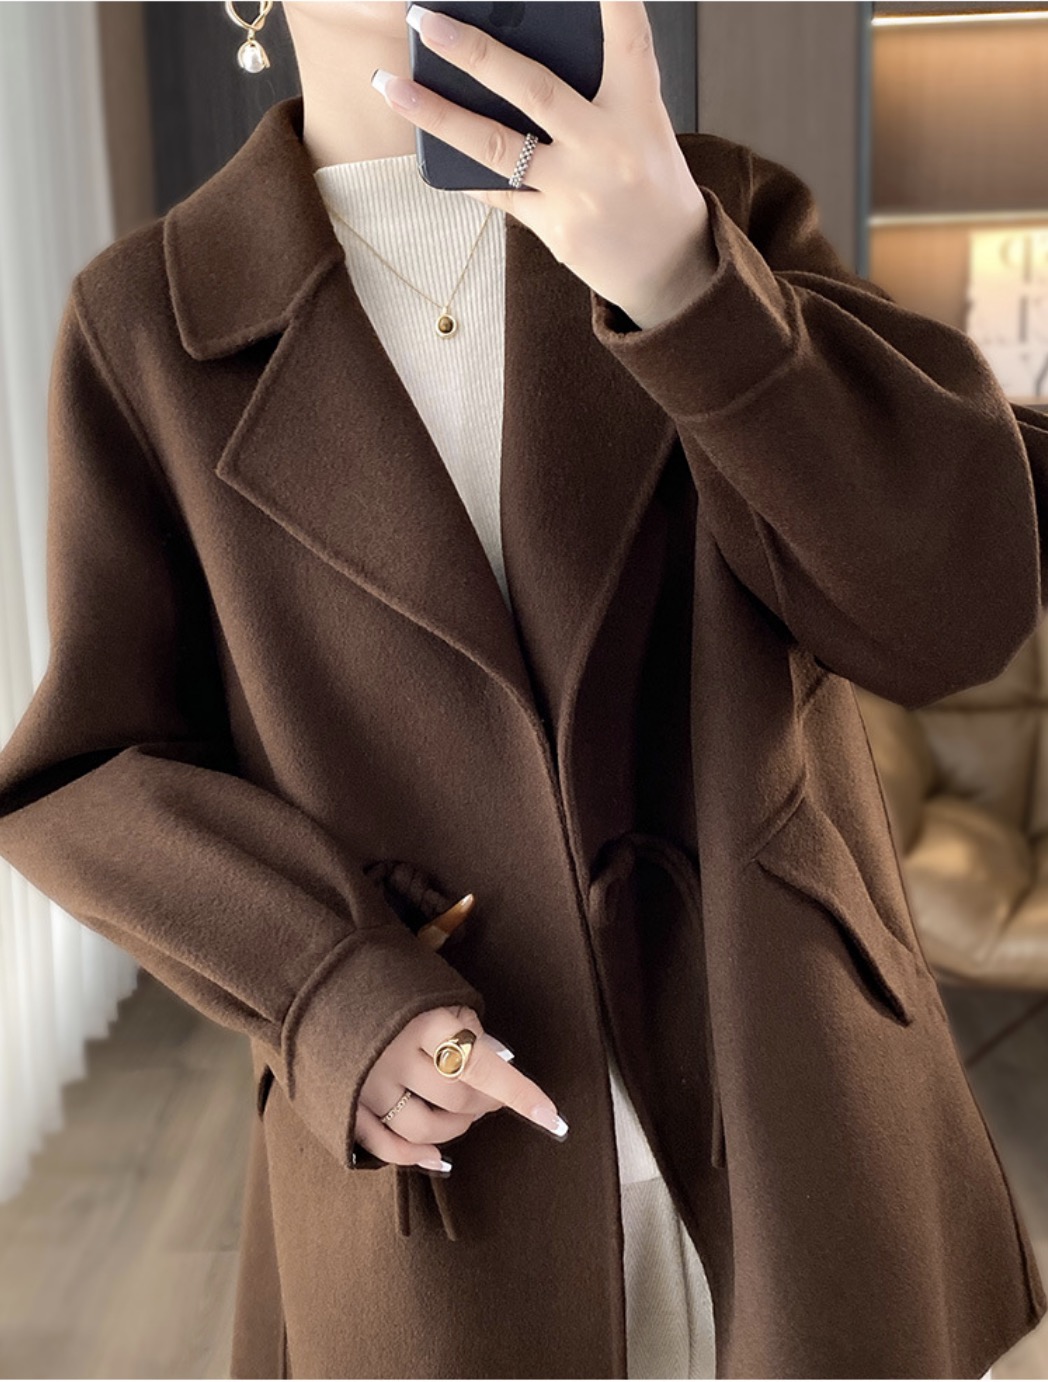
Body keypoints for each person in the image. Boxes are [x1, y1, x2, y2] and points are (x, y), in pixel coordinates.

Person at [0, 1, 1042, 1375]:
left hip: (805, 1135)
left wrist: (682, 281)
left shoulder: (706, 208)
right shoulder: (149, 326)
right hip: (443, 1202)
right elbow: (93, 768)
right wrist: (329, 986)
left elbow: (949, 617)